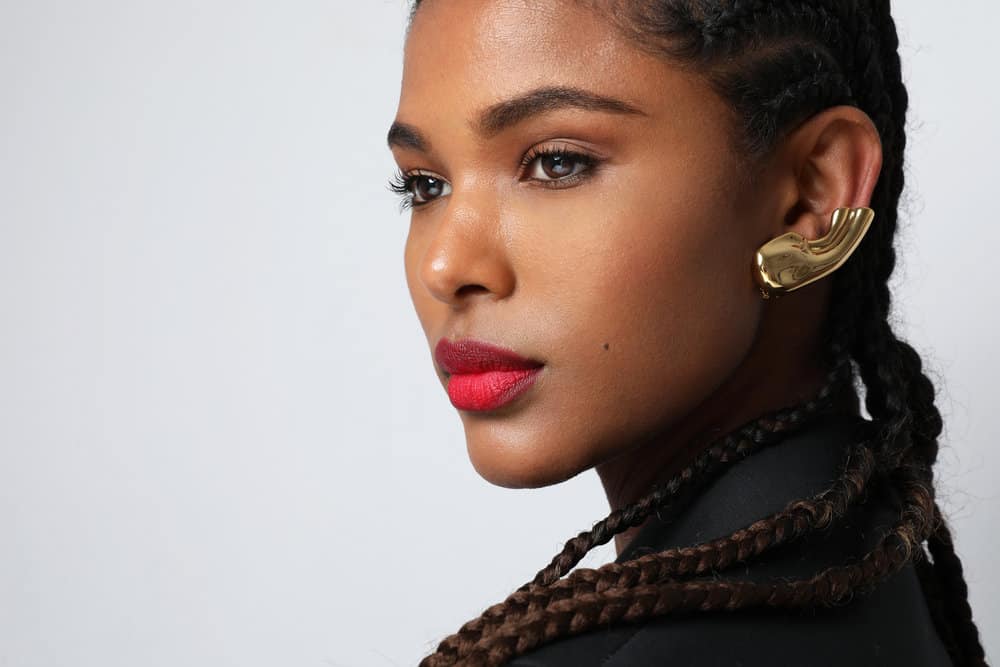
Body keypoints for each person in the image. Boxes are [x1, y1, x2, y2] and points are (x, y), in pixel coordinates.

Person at [385, 1, 987, 665]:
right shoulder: (876, 569)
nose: (445, 265)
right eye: (424, 184)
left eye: (556, 162)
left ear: (815, 194)